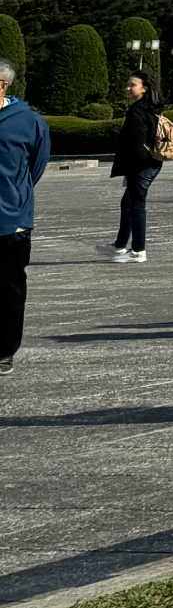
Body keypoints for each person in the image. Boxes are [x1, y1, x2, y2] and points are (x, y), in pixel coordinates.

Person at [0, 56, 48, 377]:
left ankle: (4, 350)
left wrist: (14, 196)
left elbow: (37, 167)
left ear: (2, 84)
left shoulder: (28, 121)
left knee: (9, 288)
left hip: (10, 220)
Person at [108, 70, 167, 263]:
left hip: (141, 165)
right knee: (128, 204)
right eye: (128, 84)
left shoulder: (136, 111)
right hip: (151, 164)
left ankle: (138, 250)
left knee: (136, 206)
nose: (127, 88)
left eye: (132, 84)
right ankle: (120, 246)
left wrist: (131, 169)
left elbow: (136, 142)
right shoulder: (151, 108)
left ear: (144, 88)